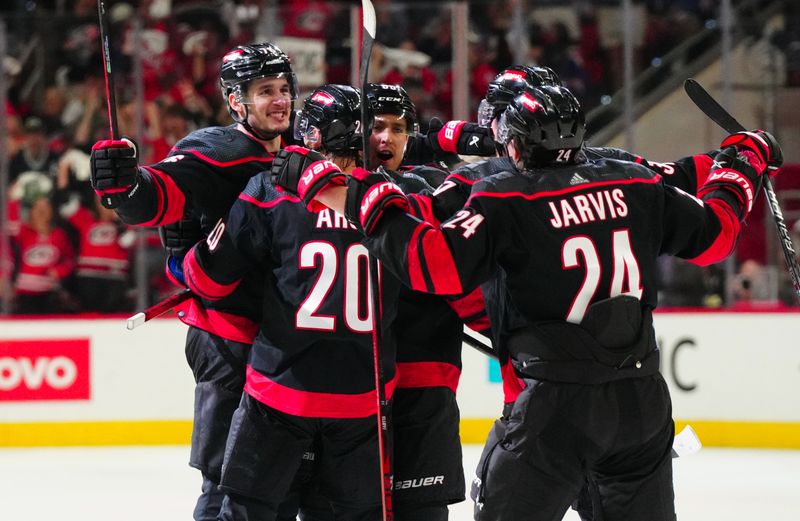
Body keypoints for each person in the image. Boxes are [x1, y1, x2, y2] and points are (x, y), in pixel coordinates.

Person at [274, 83, 781, 521]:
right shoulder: (634, 181)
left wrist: (359, 197)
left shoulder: (502, 195)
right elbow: (717, 233)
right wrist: (742, 164)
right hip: (641, 403)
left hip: (553, 407)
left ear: (513, 144)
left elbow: (435, 265)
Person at [89, 43, 329, 521]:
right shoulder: (215, 150)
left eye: (285, 89)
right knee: (229, 484)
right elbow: (155, 196)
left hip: (279, 345)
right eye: (265, 92)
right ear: (236, 101)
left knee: (279, 485)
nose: (280, 100)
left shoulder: (302, 155)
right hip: (227, 340)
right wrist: (125, 185)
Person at [181, 83, 402, 521]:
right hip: (362, 396)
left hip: (282, 393)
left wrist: (191, 244)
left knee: (245, 512)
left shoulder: (271, 190)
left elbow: (208, 278)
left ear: (312, 136)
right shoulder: (399, 198)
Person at [363, 83, 490, 521]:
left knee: (422, 510)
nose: (387, 138)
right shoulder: (324, 188)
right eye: (376, 127)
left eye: (398, 129)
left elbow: (465, 279)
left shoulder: (437, 188)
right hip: (350, 383)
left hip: (426, 376)